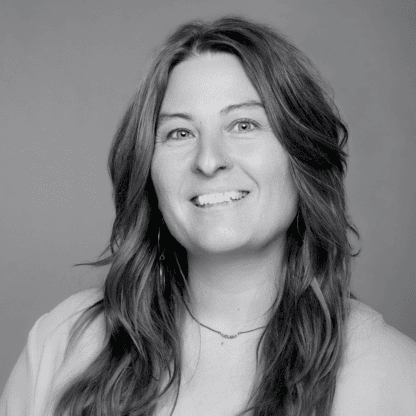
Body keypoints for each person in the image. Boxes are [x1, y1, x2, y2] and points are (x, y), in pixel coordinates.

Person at [1, 15, 415, 416]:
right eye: (180, 133)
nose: (209, 159)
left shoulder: (394, 376)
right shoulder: (62, 344)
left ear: (302, 155)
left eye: (244, 125)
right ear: (148, 171)